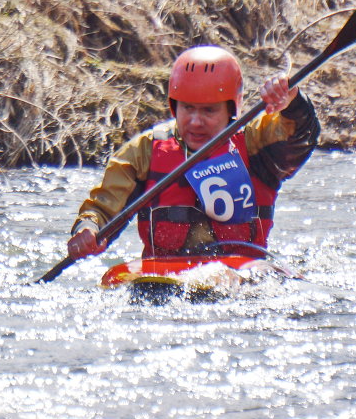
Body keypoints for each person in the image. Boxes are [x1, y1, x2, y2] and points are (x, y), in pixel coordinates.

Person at [67, 45, 320, 260]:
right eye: (187, 108)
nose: (195, 122)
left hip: (241, 279)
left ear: (231, 109)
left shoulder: (256, 140)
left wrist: (293, 103)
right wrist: (89, 227)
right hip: (164, 284)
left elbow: (299, 136)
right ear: (174, 106)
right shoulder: (144, 151)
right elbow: (103, 208)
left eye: (209, 111)